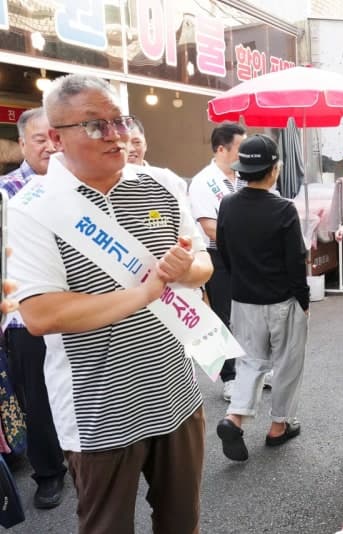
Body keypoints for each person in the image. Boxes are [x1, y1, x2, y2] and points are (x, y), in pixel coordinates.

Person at [9, 74, 212, 533]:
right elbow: (41, 314)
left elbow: (202, 264)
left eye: (120, 120)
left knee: (183, 521)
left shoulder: (159, 183)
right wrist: (143, 292)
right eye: (97, 125)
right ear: (57, 138)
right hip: (97, 409)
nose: (118, 135)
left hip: (175, 393)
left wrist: (184, 269)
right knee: (106, 526)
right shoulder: (32, 208)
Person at [215, 135, 309, 461]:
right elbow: (296, 261)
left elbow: (224, 253)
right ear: (273, 170)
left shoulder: (227, 204)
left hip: (243, 300)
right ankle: (278, 426)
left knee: (249, 362)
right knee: (286, 364)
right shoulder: (283, 209)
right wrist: (304, 299)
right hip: (282, 300)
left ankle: (234, 417)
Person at [0, 107, 67, 510]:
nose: (48, 146)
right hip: (27, 316)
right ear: (22, 143)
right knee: (39, 398)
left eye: (53, 137)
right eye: (38, 139)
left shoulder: (75, 185)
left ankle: (83, 456)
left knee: (82, 391)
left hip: (79, 310)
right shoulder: (6, 191)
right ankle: (48, 473)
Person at [188, 121, 246, 401]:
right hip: (219, 256)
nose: (244, 153)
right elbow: (210, 227)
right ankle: (230, 376)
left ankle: (252, 368)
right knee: (223, 316)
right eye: (239, 147)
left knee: (248, 314)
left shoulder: (244, 177)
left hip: (246, 255)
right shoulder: (204, 182)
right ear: (221, 149)